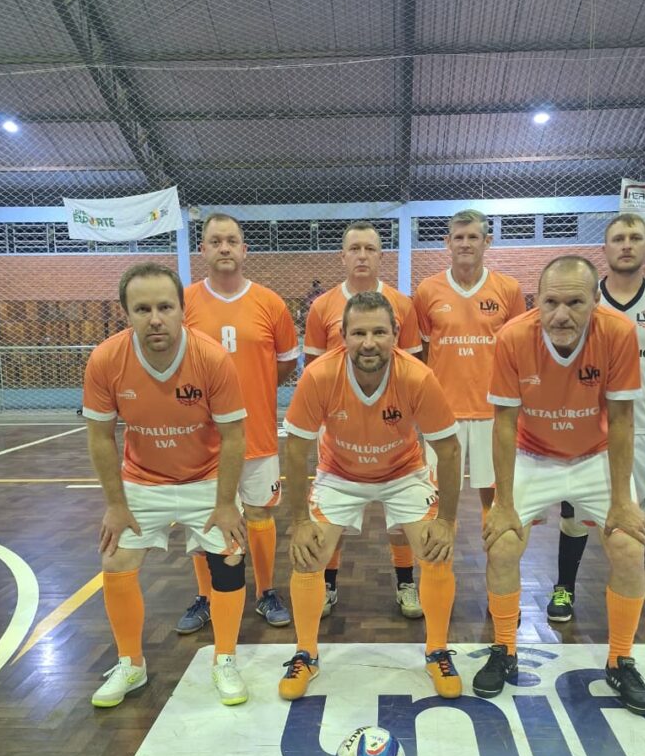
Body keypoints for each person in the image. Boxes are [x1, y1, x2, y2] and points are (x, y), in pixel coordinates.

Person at [476, 254, 645, 714]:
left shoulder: (618, 333)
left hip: (595, 455)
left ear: (596, 301)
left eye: (575, 303)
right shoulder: (513, 336)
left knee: (629, 546)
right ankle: (504, 649)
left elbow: (621, 419)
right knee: (502, 544)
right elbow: (503, 424)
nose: (561, 314)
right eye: (551, 302)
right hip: (532, 454)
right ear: (536, 300)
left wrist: (621, 501)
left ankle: (620, 660)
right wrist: (503, 502)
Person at [82, 263, 249, 708]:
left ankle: (225, 659)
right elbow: (100, 437)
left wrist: (226, 503)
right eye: (142, 309)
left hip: (206, 477)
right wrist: (115, 504)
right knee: (115, 559)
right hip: (143, 480)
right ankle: (131, 664)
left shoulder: (211, 358)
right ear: (126, 313)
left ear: (181, 309)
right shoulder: (106, 360)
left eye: (164, 307)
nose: (155, 318)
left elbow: (234, 436)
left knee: (230, 557)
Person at [282, 290, 461, 700]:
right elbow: (295, 448)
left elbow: (449, 450)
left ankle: (436, 650)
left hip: (403, 472)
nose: (368, 343)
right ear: (342, 335)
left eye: (379, 332)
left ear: (396, 334)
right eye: (358, 333)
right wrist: (299, 522)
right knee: (307, 555)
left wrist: (447, 522)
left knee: (435, 551)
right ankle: (305, 654)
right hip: (339, 474)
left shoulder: (416, 376)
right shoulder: (320, 375)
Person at [546, 215, 645, 631]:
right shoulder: (583, 300)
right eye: (618, 238)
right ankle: (564, 588)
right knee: (575, 511)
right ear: (605, 248)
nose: (626, 245)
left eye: (635, 238)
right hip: (588, 426)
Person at [175, 213, 299, 632]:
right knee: (204, 515)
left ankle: (265, 592)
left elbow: (285, 363)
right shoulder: (185, 303)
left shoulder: (270, 303)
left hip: (256, 432)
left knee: (260, 512)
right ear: (203, 250)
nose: (224, 247)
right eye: (215, 241)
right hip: (200, 438)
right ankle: (206, 596)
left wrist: (253, 389)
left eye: (231, 241)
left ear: (245, 250)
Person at [303, 221, 425, 619]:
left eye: (369, 249)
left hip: (392, 427)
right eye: (354, 248)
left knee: (401, 515)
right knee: (333, 512)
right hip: (340, 427)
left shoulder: (401, 304)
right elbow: (312, 370)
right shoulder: (322, 307)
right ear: (342, 256)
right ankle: (328, 584)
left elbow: (413, 366)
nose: (361, 256)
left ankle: (406, 582)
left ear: (380, 255)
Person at [413, 209, 526, 519]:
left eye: (473, 237)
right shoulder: (427, 290)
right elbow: (424, 350)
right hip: (443, 410)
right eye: (459, 237)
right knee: (436, 498)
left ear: (487, 241)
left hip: (492, 409)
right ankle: (441, 551)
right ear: (447, 242)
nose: (465, 243)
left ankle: (495, 548)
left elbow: (518, 349)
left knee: (495, 497)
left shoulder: (508, 289)